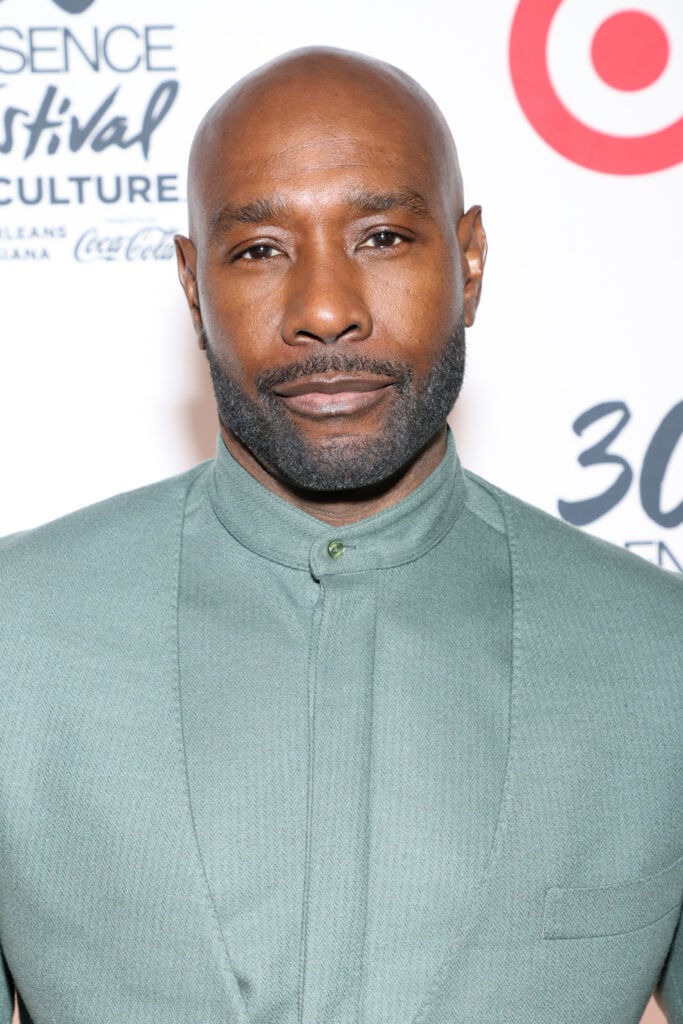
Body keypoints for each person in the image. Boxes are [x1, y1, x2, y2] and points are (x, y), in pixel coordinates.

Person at [0, 46, 681, 1024]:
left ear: (469, 259)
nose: (324, 310)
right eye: (259, 250)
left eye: (381, 236)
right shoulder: (17, 634)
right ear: (192, 285)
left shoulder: (659, 654)